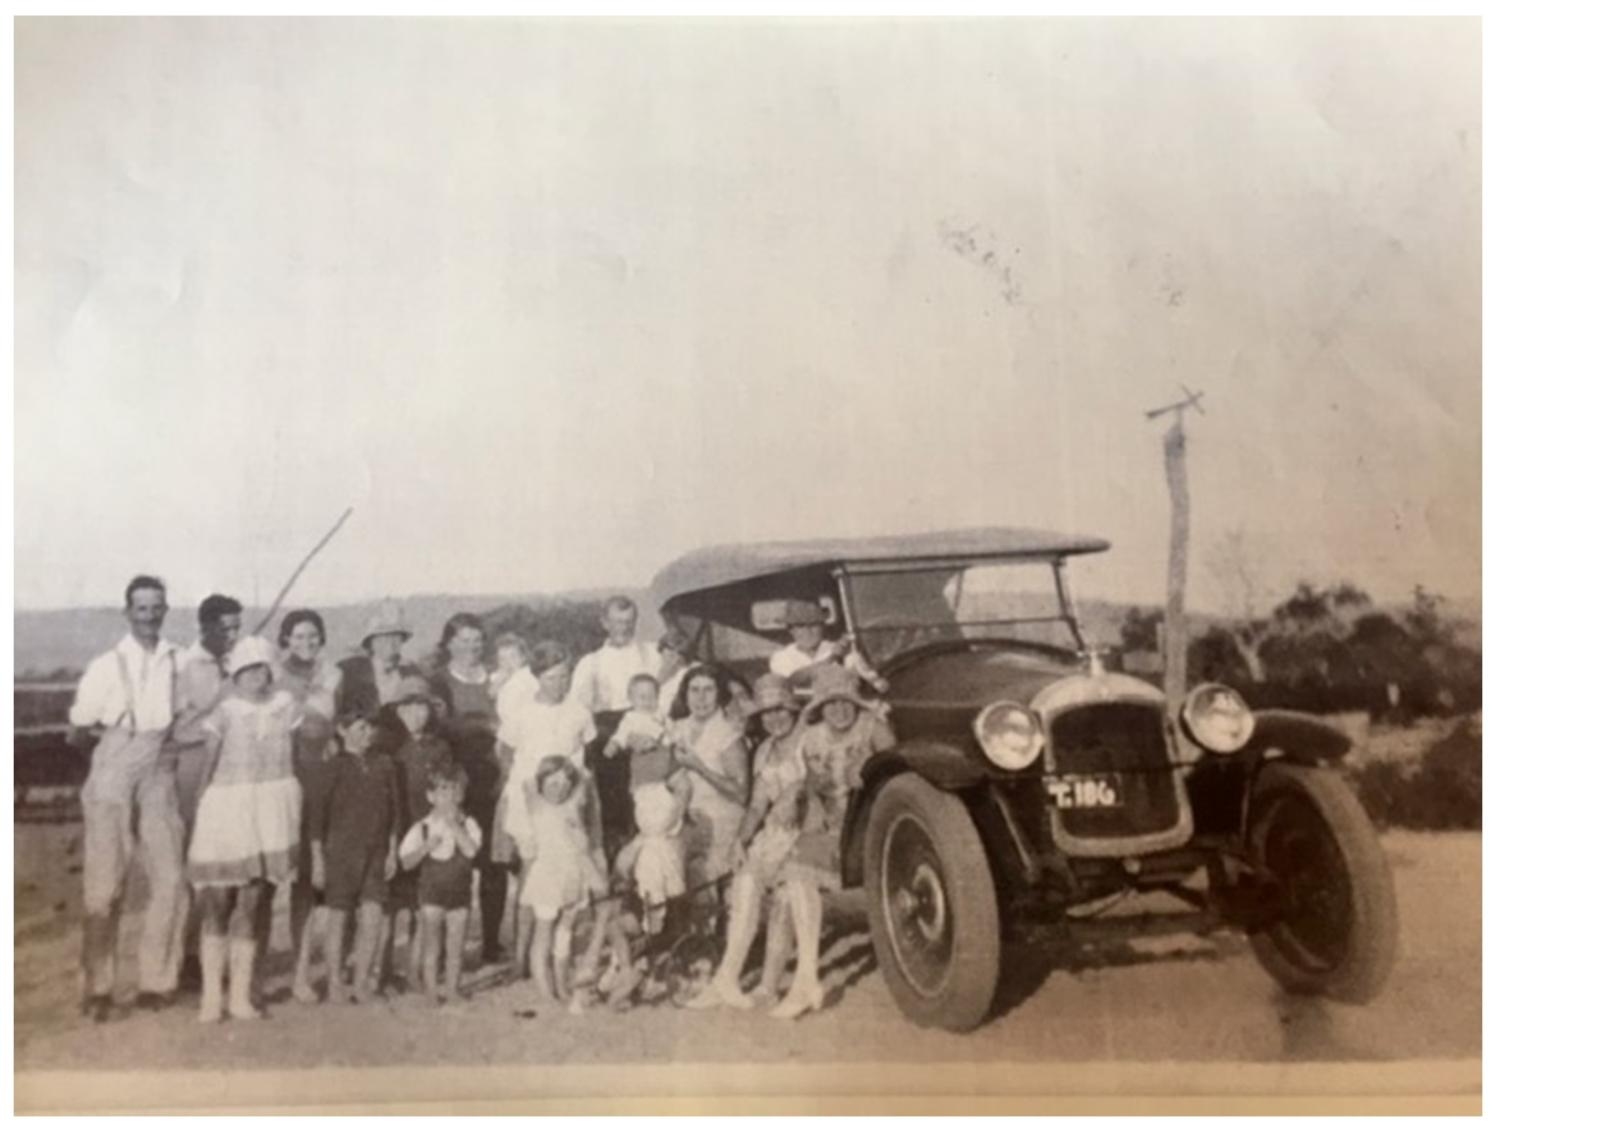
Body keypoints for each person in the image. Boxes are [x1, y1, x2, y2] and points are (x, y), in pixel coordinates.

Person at [67, 575, 187, 1021]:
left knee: (170, 876)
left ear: (165, 610)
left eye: (157, 607)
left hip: (161, 765)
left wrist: (160, 752)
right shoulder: (105, 665)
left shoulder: (178, 661)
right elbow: (78, 729)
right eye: (142, 607)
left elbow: (190, 714)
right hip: (115, 762)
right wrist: (112, 763)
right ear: (128, 612)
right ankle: (97, 988)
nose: (150, 615)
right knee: (104, 884)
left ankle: (157, 981)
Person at [186, 637, 303, 1023]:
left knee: (252, 903)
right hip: (228, 811)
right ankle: (210, 997)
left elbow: (297, 757)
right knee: (218, 902)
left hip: (269, 811)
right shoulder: (224, 712)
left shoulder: (286, 707)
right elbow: (208, 767)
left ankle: (239, 996)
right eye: (247, 669)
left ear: (271, 671)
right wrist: (203, 810)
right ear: (235, 674)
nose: (255, 675)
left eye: (261, 668)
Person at [770, 664, 895, 1020]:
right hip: (832, 828)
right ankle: (807, 978)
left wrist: (871, 768)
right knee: (796, 869)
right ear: (820, 708)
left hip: (873, 827)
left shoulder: (874, 728)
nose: (839, 710)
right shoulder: (810, 738)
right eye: (830, 704)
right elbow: (810, 785)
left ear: (856, 703)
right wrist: (802, 805)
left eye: (845, 702)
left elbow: (899, 778)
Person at [685, 673, 805, 1010]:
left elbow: (822, 783)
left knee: (784, 895)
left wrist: (796, 792)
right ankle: (727, 978)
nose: (774, 718)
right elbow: (755, 805)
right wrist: (741, 840)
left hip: (812, 831)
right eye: (767, 714)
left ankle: (768, 984)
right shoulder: (765, 749)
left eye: (781, 710)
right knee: (746, 882)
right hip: (776, 834)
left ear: (793, 709)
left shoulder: (809, 739)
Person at [495, 641, 599, 974]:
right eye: (552, 677)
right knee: (530, 878)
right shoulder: (521, 713)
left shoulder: (579, 712)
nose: (560, 683)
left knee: (566, 874)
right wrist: (527, 789)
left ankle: (557, 954)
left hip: (568, 803)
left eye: (565, 676)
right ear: (538, 676)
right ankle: (521, 958)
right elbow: (506, 754)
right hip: (530, 805)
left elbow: (584, 759)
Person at [165, 593, 244, 996]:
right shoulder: (182, 666)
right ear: (204, 627)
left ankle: (212, 953)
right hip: (193, 760)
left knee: (227, 864)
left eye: (236, 627)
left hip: (232, 766)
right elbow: (172, 723)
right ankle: (182, 958)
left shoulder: (239, 663)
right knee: (192, 862)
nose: (231, 635)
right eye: (224, 628)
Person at [428, 613, 510, 966]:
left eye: (477, 640)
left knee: (494, 863)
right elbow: (441, 729)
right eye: (463, 640)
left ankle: (491, 943)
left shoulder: (497, 678)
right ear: (448, 643)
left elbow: (511, 725)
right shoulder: (439, 682)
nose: (471, 647)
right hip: (455, 780)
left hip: (493, 778)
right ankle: (448, 949)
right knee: (453, 862)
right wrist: (483, 724)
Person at [304, 707, 400, 1004]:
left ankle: (361, 982)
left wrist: (392, 852)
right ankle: (334, 981)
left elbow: (395, 814)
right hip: (340, 854)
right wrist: (319, 861)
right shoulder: (331, 768)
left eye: (370, 728)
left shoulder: (385, 765)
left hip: (377, 852)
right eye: (360, 728)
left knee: (373, 916)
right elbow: (316, 821)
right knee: (339, 917)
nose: (367, 734)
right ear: (343, 731)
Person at [276, 609, 344, 999]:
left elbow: (334, 723)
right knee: (298, 879)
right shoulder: (274, 675)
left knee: (324, 876)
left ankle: (320, 968)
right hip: (289, 773)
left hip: (325, 773)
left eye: (313, 636)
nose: (306, 643)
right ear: (285, 639)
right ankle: (296, 972)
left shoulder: (333, 674)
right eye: (298, 636)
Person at [376, 676, 452, 996]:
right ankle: (382, 971)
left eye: (422, 707)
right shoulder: (388, 747)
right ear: (398, 711)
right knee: (393, 908)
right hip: (397, 830)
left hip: (428, 830)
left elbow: (448, 788)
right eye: (408, 708)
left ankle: (417, 969)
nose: (416, 715)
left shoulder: (440, 746)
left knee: (424, 905)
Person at [570, 596, 661, 864]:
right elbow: (580, 711)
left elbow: (666, 694)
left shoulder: (651, 654)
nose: (624, 628)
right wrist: (614, 739)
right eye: (617, 622)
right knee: (615, 811)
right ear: (604, 623)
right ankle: (617, 871)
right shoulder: (591, 662)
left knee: (647, 805)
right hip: (609, 739)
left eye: (629, 622)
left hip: (648, 736)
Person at [513, 756, 608, 1004]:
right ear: (541, 783)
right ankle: (545, 992)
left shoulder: (573, 806)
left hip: (572, 875)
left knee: (565, 932)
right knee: (543, 933)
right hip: (548, 877)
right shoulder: (538, 805)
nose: (559, 789)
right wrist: (554, 768)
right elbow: (528, 783)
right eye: (552, 784)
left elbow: (584, 780)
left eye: (565, 784)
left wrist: (571, 772)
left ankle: (562, 985)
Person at [607, 673, 690, 934]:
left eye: (652, 696)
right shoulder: (630, 719)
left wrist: (677, 742)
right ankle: (655, 901)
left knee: (666, 821)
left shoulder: (662, 717)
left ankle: (664, 894)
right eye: (641, 697)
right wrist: (614, 746)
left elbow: (676, 738)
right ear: (630, 699)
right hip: (645, 780)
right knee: (651, 817)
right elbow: (618, 740)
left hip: (665, 775)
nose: (647, 701)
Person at [396, 761, 482, 1005]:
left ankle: (453, 990)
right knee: (432, 947)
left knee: (456, 948)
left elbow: (471, 851)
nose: (450, 797)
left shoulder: (469, 824)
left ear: (462, 794)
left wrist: (454, 824)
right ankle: (432, 991)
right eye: (443, 791)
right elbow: (405, 862)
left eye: (455, 791)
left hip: (460, 896)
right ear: (431, 796)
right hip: (431, 895)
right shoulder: (421, 827)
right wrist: (425, 847)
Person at [665, 665, 750, 893]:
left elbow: (741, 793)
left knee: (698, 869)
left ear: (720, 694)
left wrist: (699, 767)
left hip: (720, 815)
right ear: (685, 694)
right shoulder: (676, 729)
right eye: (694, 690)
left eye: (708, 690)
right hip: (684, 814)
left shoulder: (728, 734)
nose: (701, 698)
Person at [335, 599, 420, 745]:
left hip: (401, 745)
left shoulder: (411, 671)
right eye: (384, 637)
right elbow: (336, 712)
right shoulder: (350, 670)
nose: (391, 643)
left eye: (396, 637)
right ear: (371, 641)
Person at [767, 599, 889, 695]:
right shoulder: (781, 657)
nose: (808, 631)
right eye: (801, 626)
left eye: (814, 625)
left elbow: (876, 682)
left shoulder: (842, 650)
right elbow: (793, 680)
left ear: (823, 626)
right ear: (791, 630)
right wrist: (832, 658)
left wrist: (875, 681)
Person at [655, 629, 693, 720]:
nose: (674, 660)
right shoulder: (650, 664)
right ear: (662, 650)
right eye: (670, 652)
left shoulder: (686, 674)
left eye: (680, 654)